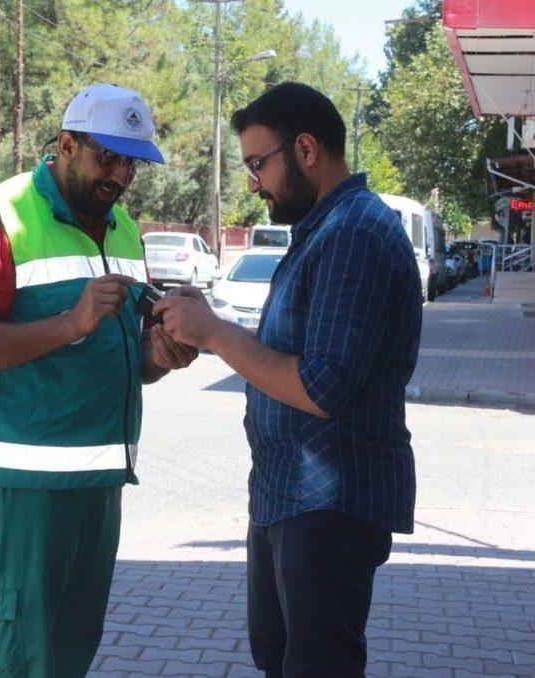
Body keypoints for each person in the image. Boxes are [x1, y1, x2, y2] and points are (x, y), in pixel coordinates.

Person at [154, 82, 422, 677]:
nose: (252, 183)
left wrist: (217, 335)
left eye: (257, 163)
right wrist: (208, 323)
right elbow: (285, 351)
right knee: (280, 659)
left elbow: (322, 388)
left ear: (305, 149)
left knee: (315, 665)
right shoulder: (325, 230)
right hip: (288, 495)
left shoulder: (353, 234)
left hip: (330, 502)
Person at [0, 83, 198, 677]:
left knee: (65, 658)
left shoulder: (124, 230)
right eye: (106, 157)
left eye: (130, 162)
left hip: (97, 486)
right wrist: (70, 322)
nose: (120, 176)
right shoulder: (0, 219)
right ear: (65, 144)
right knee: (14, 662)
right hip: (19, 489)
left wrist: (163, 354)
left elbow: (127, 358)